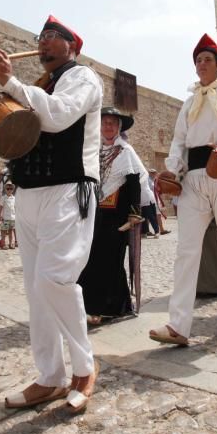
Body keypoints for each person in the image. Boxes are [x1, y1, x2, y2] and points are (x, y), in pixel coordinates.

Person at [0, 15, 102, 414]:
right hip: (31, 195)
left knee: (55, 279)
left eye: (54, 37)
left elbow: (57, 117)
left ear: (73, 46)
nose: (45, 43)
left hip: (69, 190)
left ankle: (84, 368)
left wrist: (11, 83)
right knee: (36, 292)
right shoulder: (38, 86)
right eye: (42, 37)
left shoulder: (83, 78)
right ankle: (49, 376)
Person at [150, 34, 217, 346]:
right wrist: (173, 169)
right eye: (197, 60)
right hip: (193, 181)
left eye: (207, 59)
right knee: (186, 251)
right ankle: (178, 325)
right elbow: (178, 143)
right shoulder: (188, 104)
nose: (201, 64)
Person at [79, 107, 146, 325]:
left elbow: (134, 183)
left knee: (110, 261)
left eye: (112, 123)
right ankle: (118, 306)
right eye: (104, 122)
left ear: (118, 127)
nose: (108, 126)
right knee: (91, 260)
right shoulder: (93, 152)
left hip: (116, 217)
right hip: (93, 214)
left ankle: (99, 309)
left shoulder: (126, 152)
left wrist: (134, 213)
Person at [0, 182, 17, 249]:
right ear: (5, 189)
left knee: (11, 231)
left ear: (13, 190)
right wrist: (0, 215)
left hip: (12, 217)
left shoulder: (14, 198)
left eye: (11, 188)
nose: (9, 190)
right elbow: (1, 207)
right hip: (5, 217)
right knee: (4, 231)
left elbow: (15, 207)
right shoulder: (3, 198)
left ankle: (10, 243)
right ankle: (3, 244)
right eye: (8, 188)